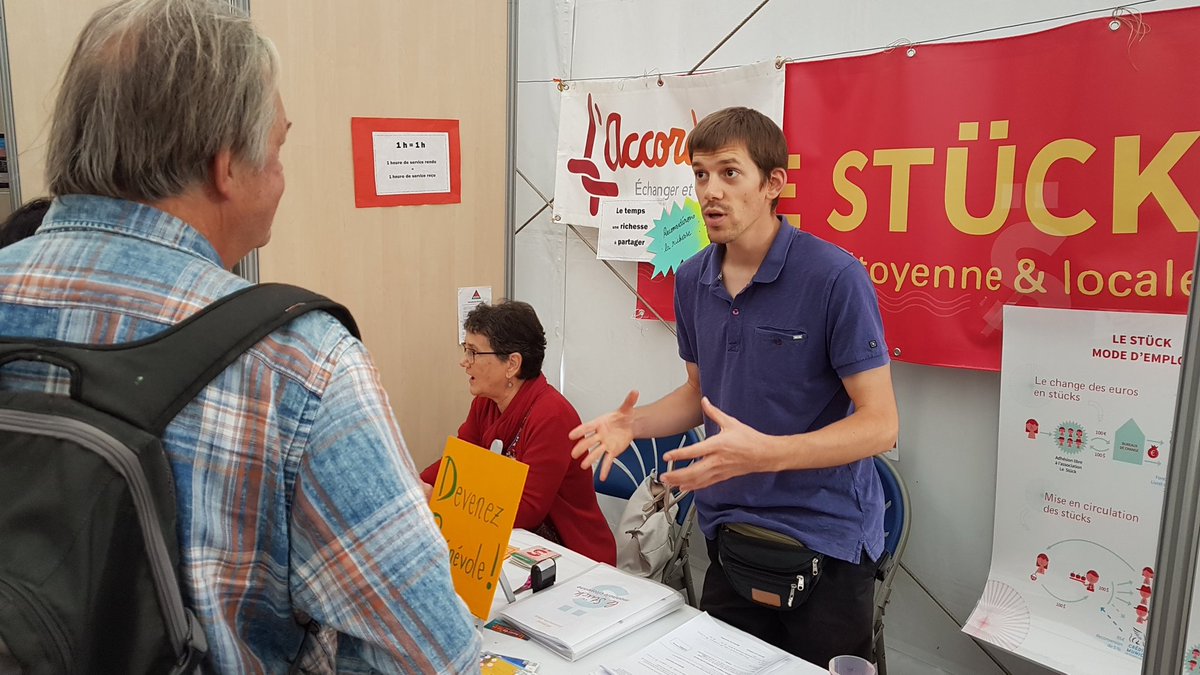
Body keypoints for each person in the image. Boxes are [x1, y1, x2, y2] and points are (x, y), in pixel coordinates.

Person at [0, 1, 479, 672]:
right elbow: (431, 653)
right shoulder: (299, 362)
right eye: (278, 148)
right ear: (227, 165)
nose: (281, 174)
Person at [569, 107, 898, 667]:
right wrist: (634, 422)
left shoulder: (834, 277)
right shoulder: (693, 278)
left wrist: (766, 454)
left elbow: (880, 425)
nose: (710, 192)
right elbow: (699, 394)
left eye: (729, 173)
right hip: (729, 533)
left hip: (825, 539)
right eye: (700, 174)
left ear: (774, 184)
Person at [421, 300, 616, 564]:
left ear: (512, 364)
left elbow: (527, 510)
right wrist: (415, 486)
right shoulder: (484, 403)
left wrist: (441, 500)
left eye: (473, 353)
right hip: (513, 541)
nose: (464, 363)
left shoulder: (552, 415)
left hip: (570, 554)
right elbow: (458, 464)